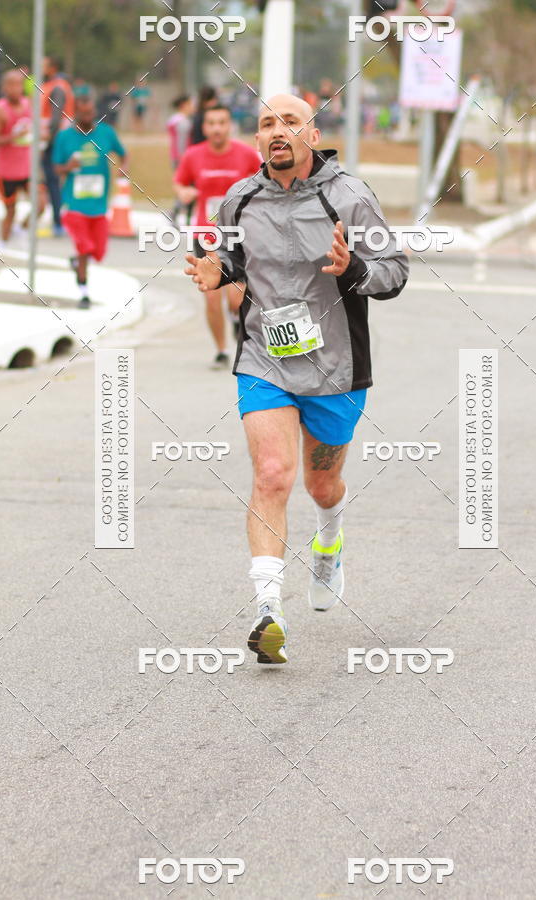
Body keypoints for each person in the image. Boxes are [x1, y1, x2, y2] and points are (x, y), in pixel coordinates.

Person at [185, 94, 409, 664]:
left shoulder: (349, 197)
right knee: (273, 473)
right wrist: (218, 273)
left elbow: (395, 272)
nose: (277, 131)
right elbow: (231, 262)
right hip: (265, 359)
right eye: (266, 124)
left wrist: (354, 269)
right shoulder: (240, 199)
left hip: (335, 366)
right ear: (257, 141)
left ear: (312, 133)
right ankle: (268, 611)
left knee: (321, 485)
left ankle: (329, 537)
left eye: (289, 121)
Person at [175, 104, 260, 367]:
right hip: (206, 236)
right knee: (211, 297)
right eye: (211, 123)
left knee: (236, 300)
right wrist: (184, 193)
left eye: (221, 123)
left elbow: (264, 182)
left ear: (229, 126)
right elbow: (181, 182)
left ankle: (237, 319)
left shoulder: (246, 155)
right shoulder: (193, 155)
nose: (217, 128)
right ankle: (222, 351)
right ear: (204, 128)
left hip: (237, 236)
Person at [52, 92, 126, 308]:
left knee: (98, 252)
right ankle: (83, 291)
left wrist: (123, 167)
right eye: (83, 113)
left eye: (91, 112)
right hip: (73, 204)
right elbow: (56, 167)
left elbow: (123, 153)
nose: (88, 116)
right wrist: (68, 167)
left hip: (99, 204)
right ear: (75, 113)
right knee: (84, 247)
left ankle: (77, 263)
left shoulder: (106, 133)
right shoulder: (64, 137)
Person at [0, 68, 44, 243]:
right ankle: (3, 244)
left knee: (40, 205)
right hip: (6, 171)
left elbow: (34, 129)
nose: (15, 89)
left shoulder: (28, 105)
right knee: (10, 210)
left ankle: (21, 228)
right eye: (11, 85)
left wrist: (41, 135)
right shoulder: (0, 110)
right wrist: (13, 137)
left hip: (26, 169)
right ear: (5, 87)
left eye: (18, 84)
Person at [41, 56, 74, 236]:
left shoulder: (57, 87)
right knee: (55, 181)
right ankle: (59, 220)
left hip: (55, 140)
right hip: (58, 138)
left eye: (43, 65)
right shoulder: (54, 85)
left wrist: (46, 141)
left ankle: (58, 222)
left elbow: (55, 117)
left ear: (51, 68)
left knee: (53, 181)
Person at [166, 94, 194, 223]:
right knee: (185, 187)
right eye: (190, 104)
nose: (192, 107)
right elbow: (182, 143)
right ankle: (175, 214)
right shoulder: (183, 122)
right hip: (182, 158)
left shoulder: (173, 120)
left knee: (183, 186)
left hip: (175, 157)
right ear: (184, 105)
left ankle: (178, 215)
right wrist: (185, 159)